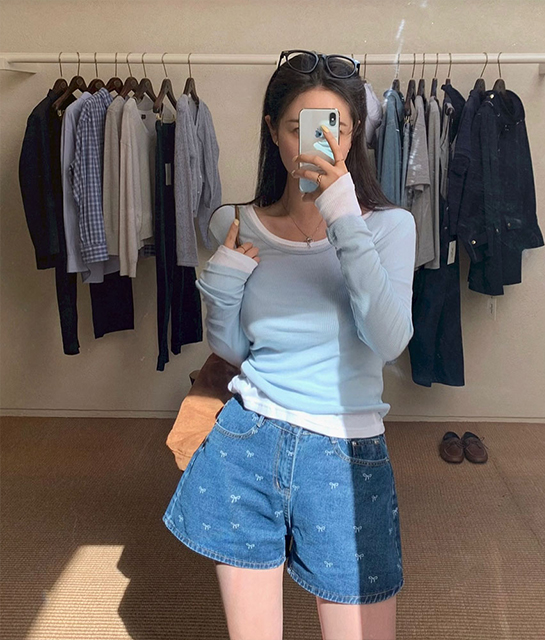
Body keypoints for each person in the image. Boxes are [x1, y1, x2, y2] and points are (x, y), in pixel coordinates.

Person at [163, 50, 417, 640]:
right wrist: (222, 286)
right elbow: (232, 351)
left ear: (354, 136)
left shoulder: (389, 227)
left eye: (337, 128)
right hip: (247, 440)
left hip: (346, 451)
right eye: (300, 127)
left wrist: (343, 214)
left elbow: (387, 341)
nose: (320, 142)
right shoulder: (233, 223)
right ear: (274, 132)